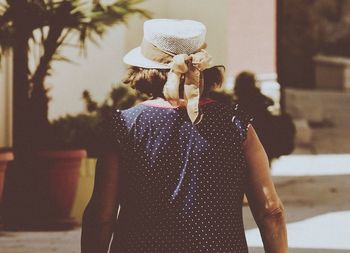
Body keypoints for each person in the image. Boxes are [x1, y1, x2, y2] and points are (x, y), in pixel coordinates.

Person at [81, 19, 288, 253]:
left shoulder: (125, 127)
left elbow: (101, 216)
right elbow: (271, 210)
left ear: (143, 70)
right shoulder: (235, 124)